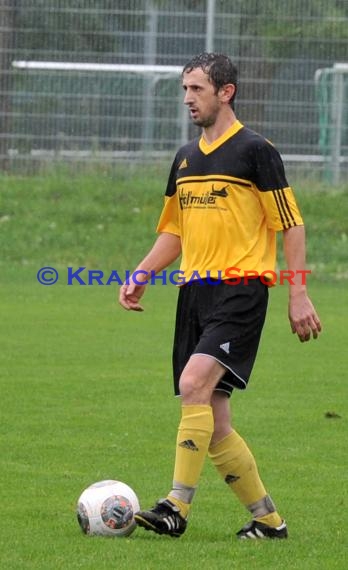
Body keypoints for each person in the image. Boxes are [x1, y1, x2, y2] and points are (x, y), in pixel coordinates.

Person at [119, 52, 322, 540]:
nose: (188, 98)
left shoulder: (256, 151)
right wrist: (143, 272)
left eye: (197, 89)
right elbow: (175, 230)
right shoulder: (185, 157)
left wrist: (299, 293)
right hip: (195, 293)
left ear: (225, 92)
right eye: (185, 89)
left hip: (241, 288)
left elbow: (290, 224)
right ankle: (269, 521)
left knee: (194, 385)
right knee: (214, 419)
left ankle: (175, 507)